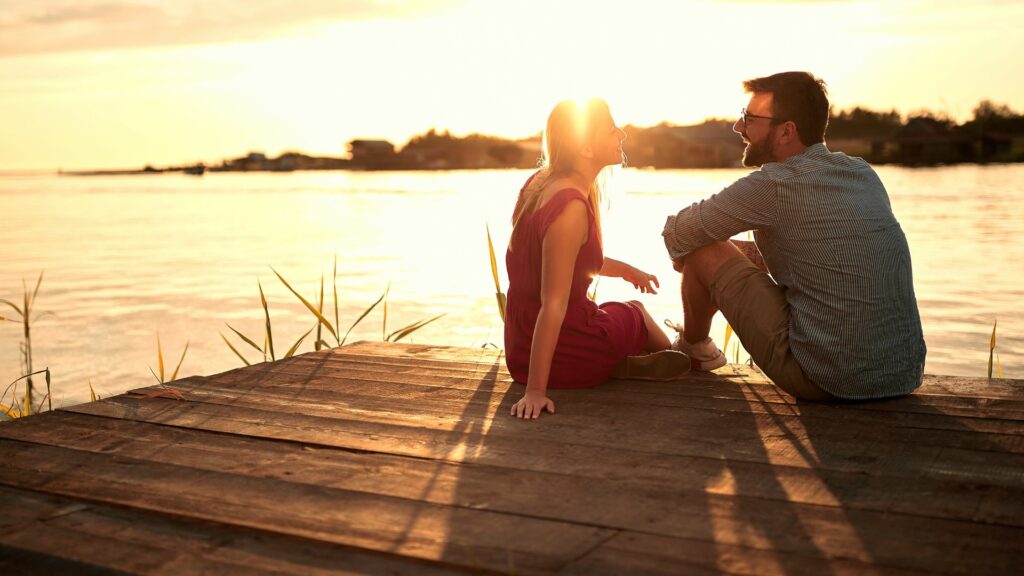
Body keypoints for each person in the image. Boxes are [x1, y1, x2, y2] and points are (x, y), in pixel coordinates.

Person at [662, 71, 926, 401]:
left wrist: (689, 254)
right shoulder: (861, 173)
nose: (738, 127)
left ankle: (695, 349)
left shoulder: (773, 184)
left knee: (702, 250)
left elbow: (677, 234)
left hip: (828, 380)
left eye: (749, 118)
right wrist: (748, 253)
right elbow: (830, 254)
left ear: (787, 131)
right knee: (711, 243)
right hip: (902, 375)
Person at [505, 99, 687, 419]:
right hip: (567, 357)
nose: (622, 134)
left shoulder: (537, 185)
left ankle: (625, 364)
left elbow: (564, 261)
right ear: (586, 149)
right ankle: (683, 356)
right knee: (636, 312)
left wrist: (628, 271)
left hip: (520, 353)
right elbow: (554, 304)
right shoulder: (571, 206)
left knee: (615, 312)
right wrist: (535, 392)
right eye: (611, 128)